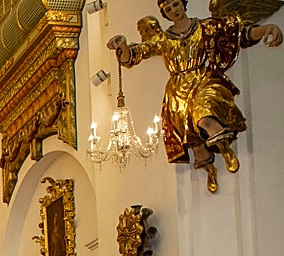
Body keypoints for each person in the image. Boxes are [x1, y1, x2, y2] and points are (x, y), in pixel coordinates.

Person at [108, 0, 283, 193]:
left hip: (202, 80)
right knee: (194, 144)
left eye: (175, 4)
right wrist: (122, 45)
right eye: (168, 9)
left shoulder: (205, 27)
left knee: (205, 115)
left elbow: (239, 35)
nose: (173, 10)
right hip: (177, 92)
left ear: (183, 4)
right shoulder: (164, 39)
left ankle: (226, 150)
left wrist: (267, 28)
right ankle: (209, 169)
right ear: (164, 14)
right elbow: (134, 55)